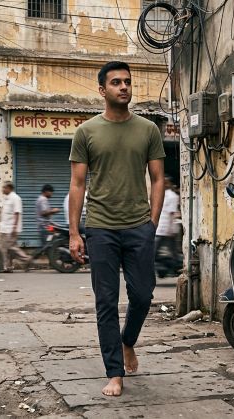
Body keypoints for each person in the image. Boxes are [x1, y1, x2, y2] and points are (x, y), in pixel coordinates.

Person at [68, 61, 165, 397]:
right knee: (106, 302)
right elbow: (78, 184)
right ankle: (114, 372)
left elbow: (157, 179)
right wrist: (74, 232)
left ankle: (128, 341)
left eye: (127, 82)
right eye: (115, 82)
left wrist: (152, 223)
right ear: (102, 90)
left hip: (139, 226)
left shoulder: (148, 130)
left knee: (142, 294)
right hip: (101, 228)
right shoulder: (86, 132)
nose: (123, 87)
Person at [0, 181, 31, 273]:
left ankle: (26, 259)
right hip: (6, 228)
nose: (3, 189)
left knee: (9, 248)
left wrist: (14, 227)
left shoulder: (15, 198)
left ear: (9, 188)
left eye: (4, 188)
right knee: (9, 249)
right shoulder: (7, 198)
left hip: (11, 228)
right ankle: (9, 267)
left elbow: (17, 213)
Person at [155, 177, 180, 259]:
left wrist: (171, 229)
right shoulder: (162, 194)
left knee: (155, 250)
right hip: (160, 228)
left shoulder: (172, 196)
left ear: (168, 184)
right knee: (172, 251)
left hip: (167, 228)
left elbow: (172, 214)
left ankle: (174, 266)